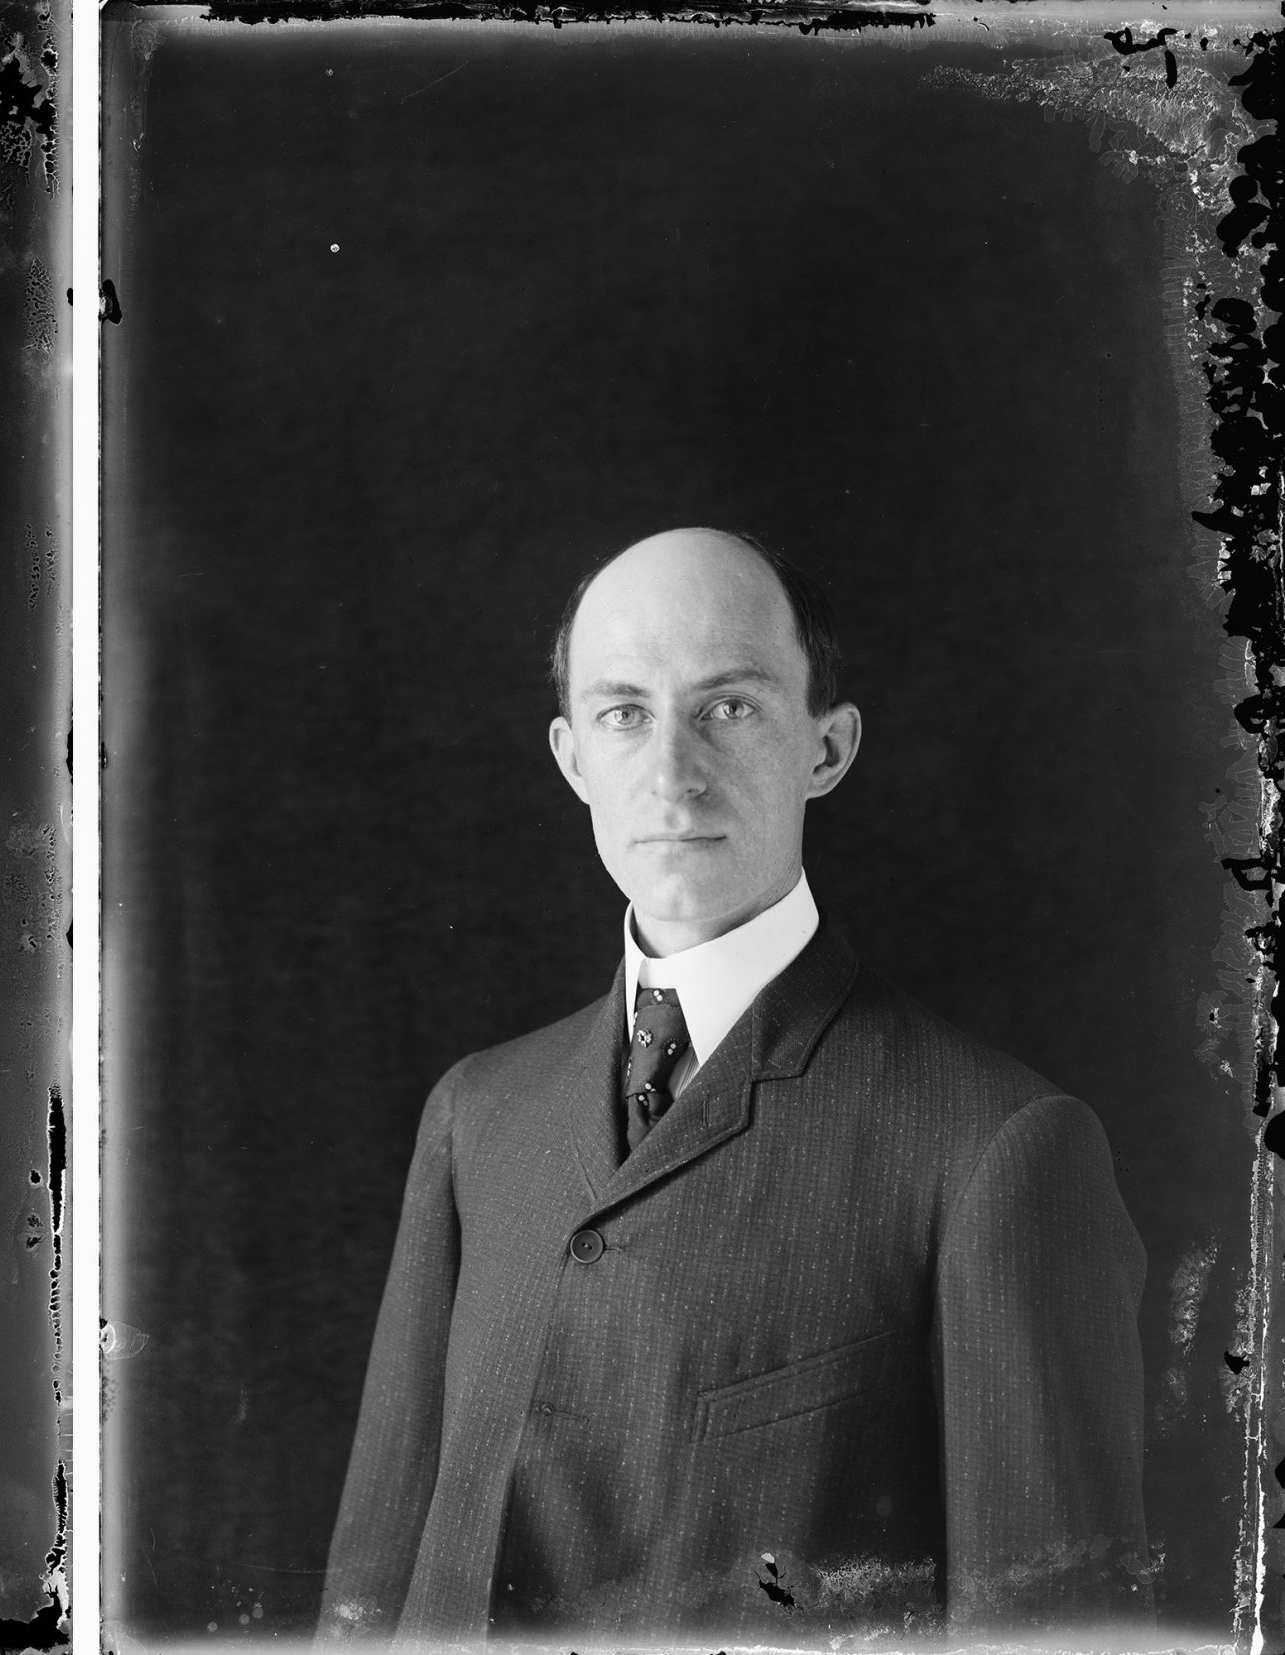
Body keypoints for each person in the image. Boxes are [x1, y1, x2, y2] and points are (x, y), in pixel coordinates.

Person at [318, 528, 1147, 1642]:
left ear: (828, 746)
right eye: (625, 712)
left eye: (731, 706)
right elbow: (372, 1589)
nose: (671, 772)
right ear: (572, 757)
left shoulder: (999, 1145)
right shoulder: (478, 1112)